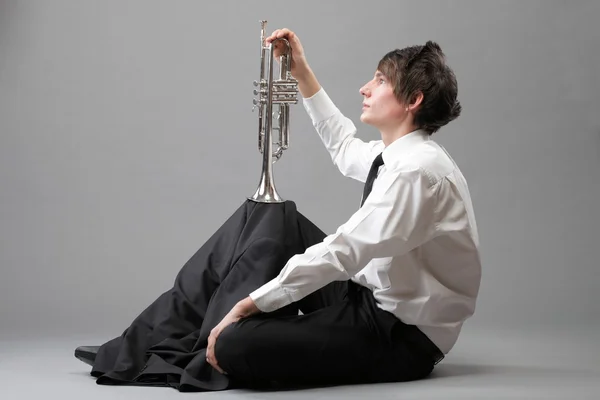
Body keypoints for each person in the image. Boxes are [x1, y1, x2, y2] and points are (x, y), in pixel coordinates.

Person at [204, 28, 482, 388]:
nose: (365, 88)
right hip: (367, 296)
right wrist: (301, 72)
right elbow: (344, 148)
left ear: (413, 100)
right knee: (277, 218)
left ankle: (226, 330)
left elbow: (345, 250)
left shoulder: (416, 171)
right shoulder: (399, 155)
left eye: (380, 80)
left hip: (399, 334)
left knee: (233, 346)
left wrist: (251, 304)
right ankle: (209, 324)